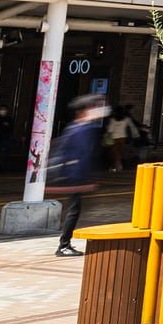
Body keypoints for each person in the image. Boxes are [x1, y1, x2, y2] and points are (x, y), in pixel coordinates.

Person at [47, 94, 108, 257]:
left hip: (74, 177)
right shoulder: (84, 129)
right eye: (95, 107)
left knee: (75, 210)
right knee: (74, 210)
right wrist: (84, 180)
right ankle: (64, 245)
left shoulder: (76, 127)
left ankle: (65, 243)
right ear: (84, 111)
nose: (99, 110)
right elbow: (82, 155)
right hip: (74, 178)